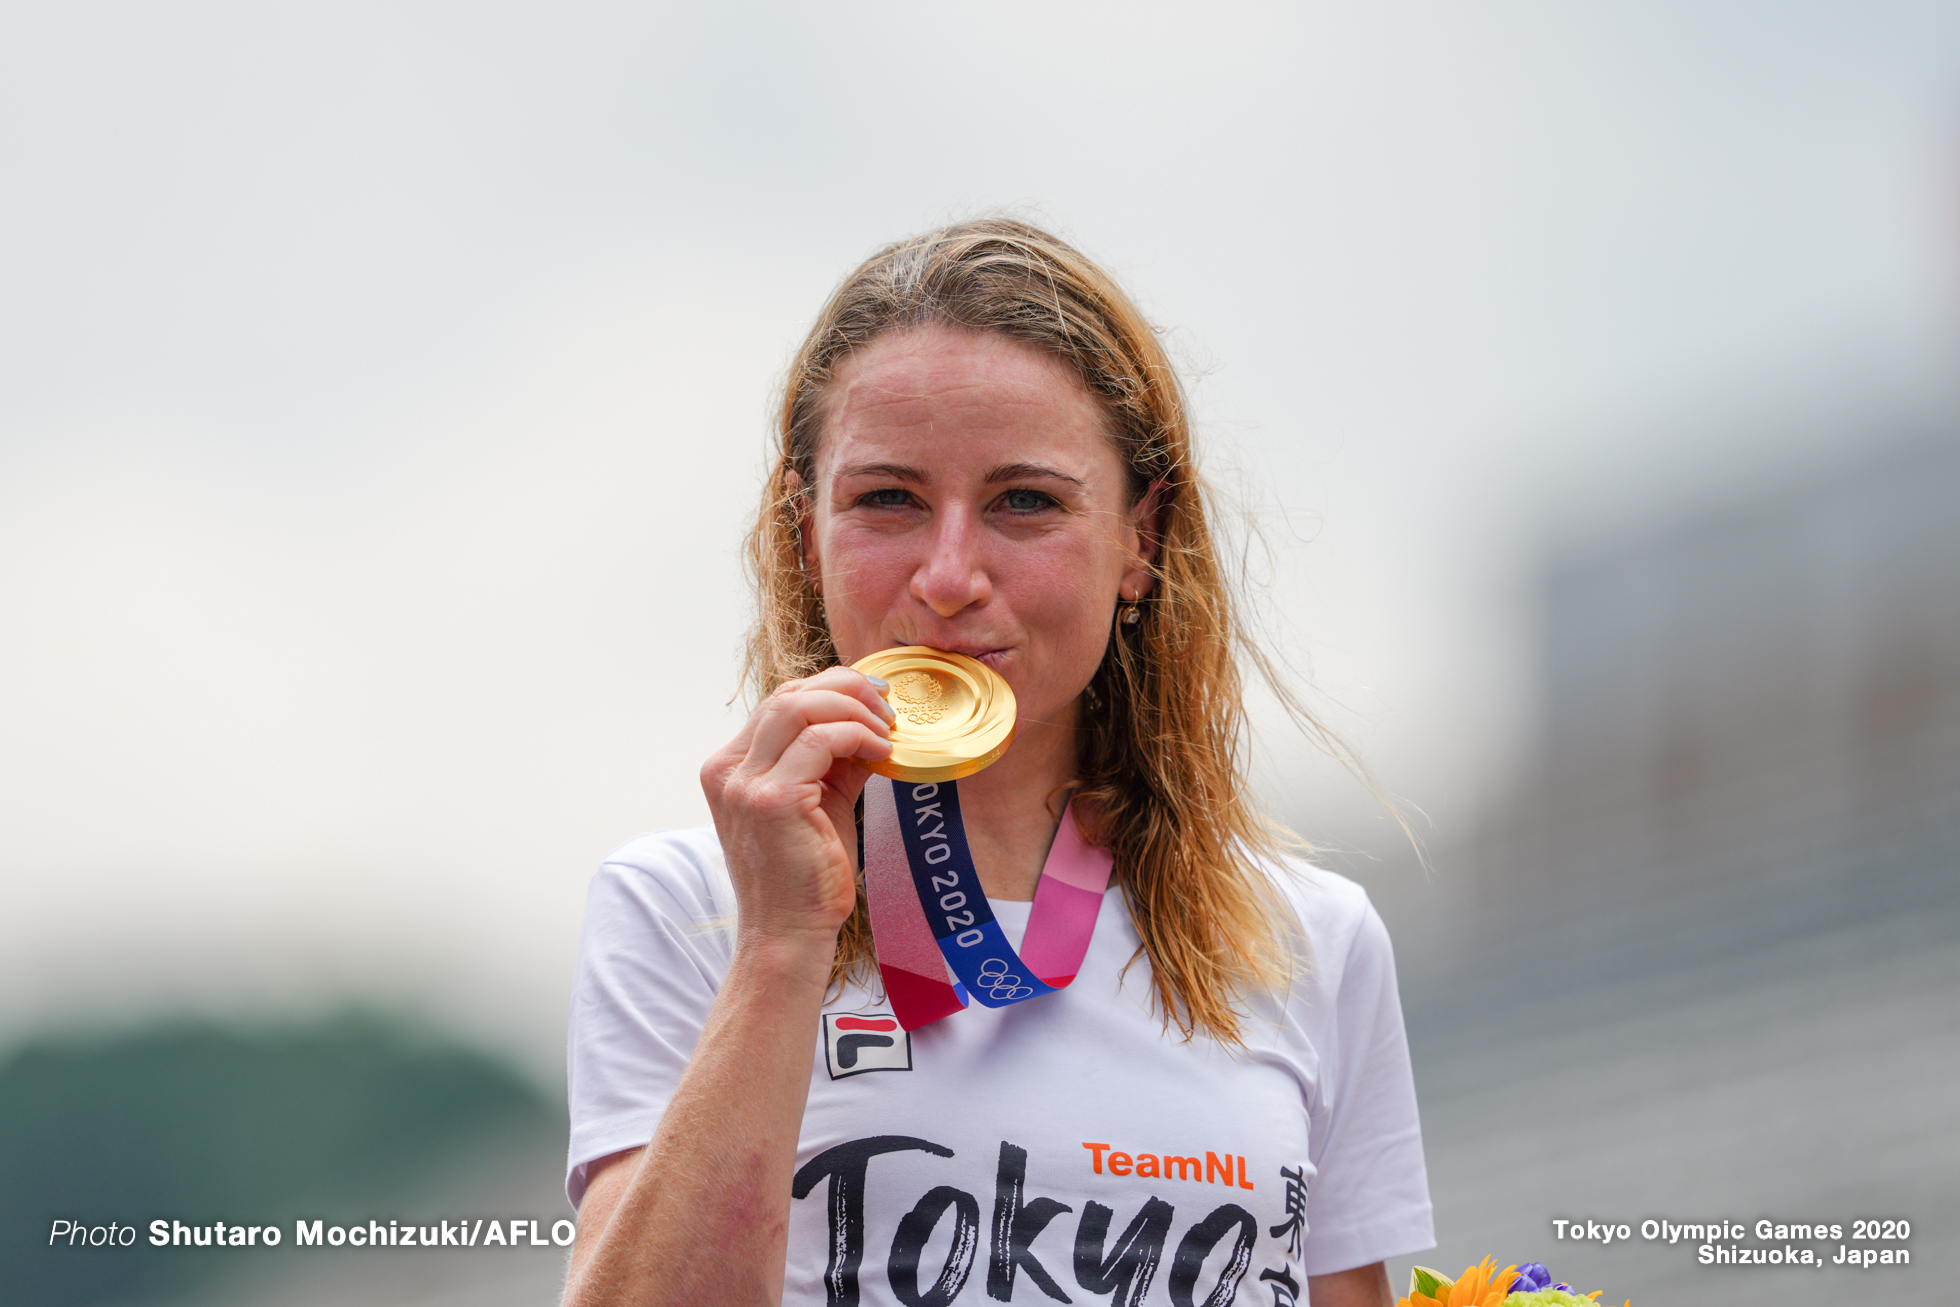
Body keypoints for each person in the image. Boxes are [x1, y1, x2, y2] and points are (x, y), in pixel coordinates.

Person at [560, 219, 1434, 1307]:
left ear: (1141, 539)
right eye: (887, 498)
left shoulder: (1311, 938)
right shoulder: (684, 909)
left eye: (1025, 500)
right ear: (802, 532)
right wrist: (783, 949)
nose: (949, 573)